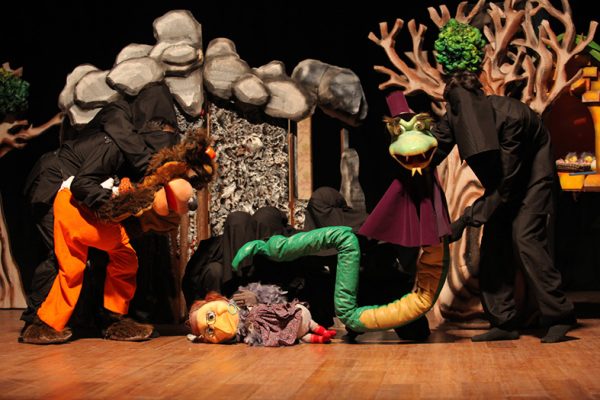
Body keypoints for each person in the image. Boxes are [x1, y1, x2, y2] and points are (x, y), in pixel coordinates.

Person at [430, 21, 576, 343]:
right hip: (504, 183)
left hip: (532, 177)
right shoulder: (455, 117)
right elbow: (432, 150)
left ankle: (559, 315)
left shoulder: (512, 118)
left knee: (525, 238)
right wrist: (409, 153)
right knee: (494, 244)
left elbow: (508, 183)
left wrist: (464, 220)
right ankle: (504, 321)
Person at [20, 82, 182, 342]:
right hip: (54, 183)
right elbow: (83, 183)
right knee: (61, 254)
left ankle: (111, 320)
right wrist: (113, 205)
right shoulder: (117, 137)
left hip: (79, 193)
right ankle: (36, 323)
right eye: (161, 126)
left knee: (114, 255)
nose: (166, 133)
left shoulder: (132, 140)